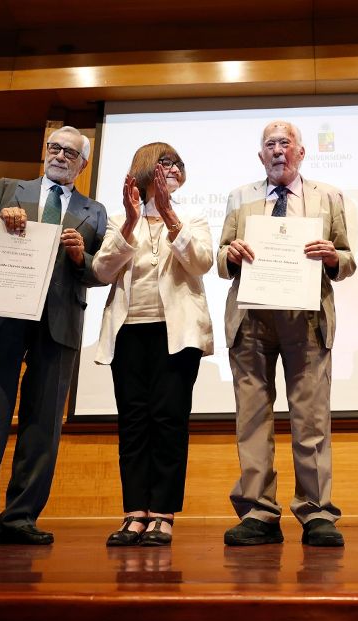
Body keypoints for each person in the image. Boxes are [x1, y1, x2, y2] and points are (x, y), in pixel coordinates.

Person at [0, 126, 107, 549]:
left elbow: (98, 272)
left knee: (44, 423)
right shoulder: (9, 189)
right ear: (45, 153)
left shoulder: (96, 210)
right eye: (55, 148)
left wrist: (77, 254)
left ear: (83, 164)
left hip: (59, 321)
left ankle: (21, 517)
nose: (61, 155)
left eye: (71, 152)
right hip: (0, 316)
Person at [217, 120, 355, 548]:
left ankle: (316, 512)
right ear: (261, 155)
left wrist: (333, 256)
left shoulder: (328, 195)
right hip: (252, 319)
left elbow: (347, 259)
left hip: (307, 317)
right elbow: (221, 258)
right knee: (252, 419)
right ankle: (259, 512)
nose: (278, 150)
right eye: (270, 144)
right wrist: (232, 254)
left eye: (286, 143)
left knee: (310, 418)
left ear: (300, 152)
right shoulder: (240, 197)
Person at [91, 143, 214, 547]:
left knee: (169, 420)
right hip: (129, 333)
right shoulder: (117, 219)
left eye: (178, 163)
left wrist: (171, 216)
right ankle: (134, 513)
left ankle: (162, 513)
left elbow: (201, 264)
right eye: (166, 163)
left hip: (176, 335)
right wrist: (129, 223)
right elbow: (103, 270)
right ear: (145, 171)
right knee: (133, 422)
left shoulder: (192, 216)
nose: (174, 168)